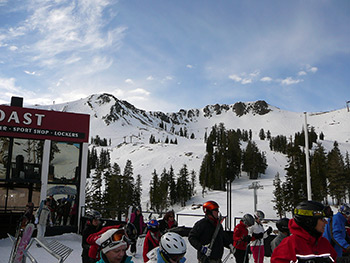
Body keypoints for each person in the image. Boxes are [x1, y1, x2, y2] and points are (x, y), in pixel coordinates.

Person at [271, 200, 337, 263]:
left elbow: (334, 259)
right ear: (310, 221)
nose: (326, 223)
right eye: (322, 219)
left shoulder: (324, 243)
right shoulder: (289, 244)